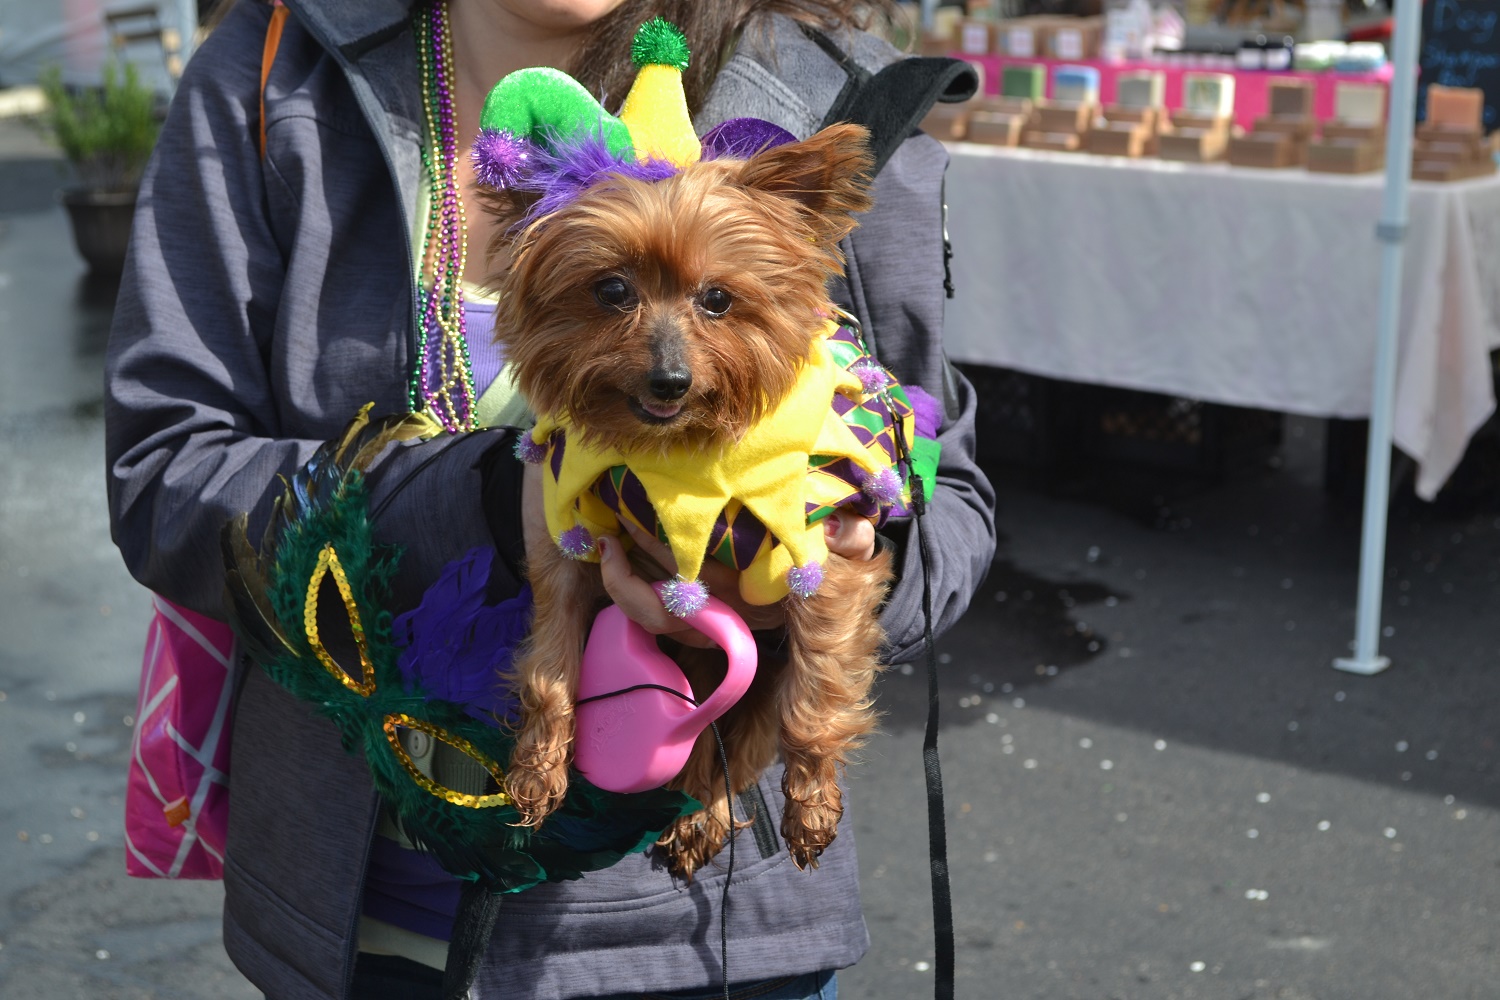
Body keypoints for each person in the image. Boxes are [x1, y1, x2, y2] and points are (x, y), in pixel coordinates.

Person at [104, 1, 996, 997]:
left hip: (712, 934)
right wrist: (488, 505)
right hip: (372, 917)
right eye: (613, 293)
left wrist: (816, 565)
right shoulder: (280, 70)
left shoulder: (837, 90)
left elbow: (944, 496)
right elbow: (166, 474)